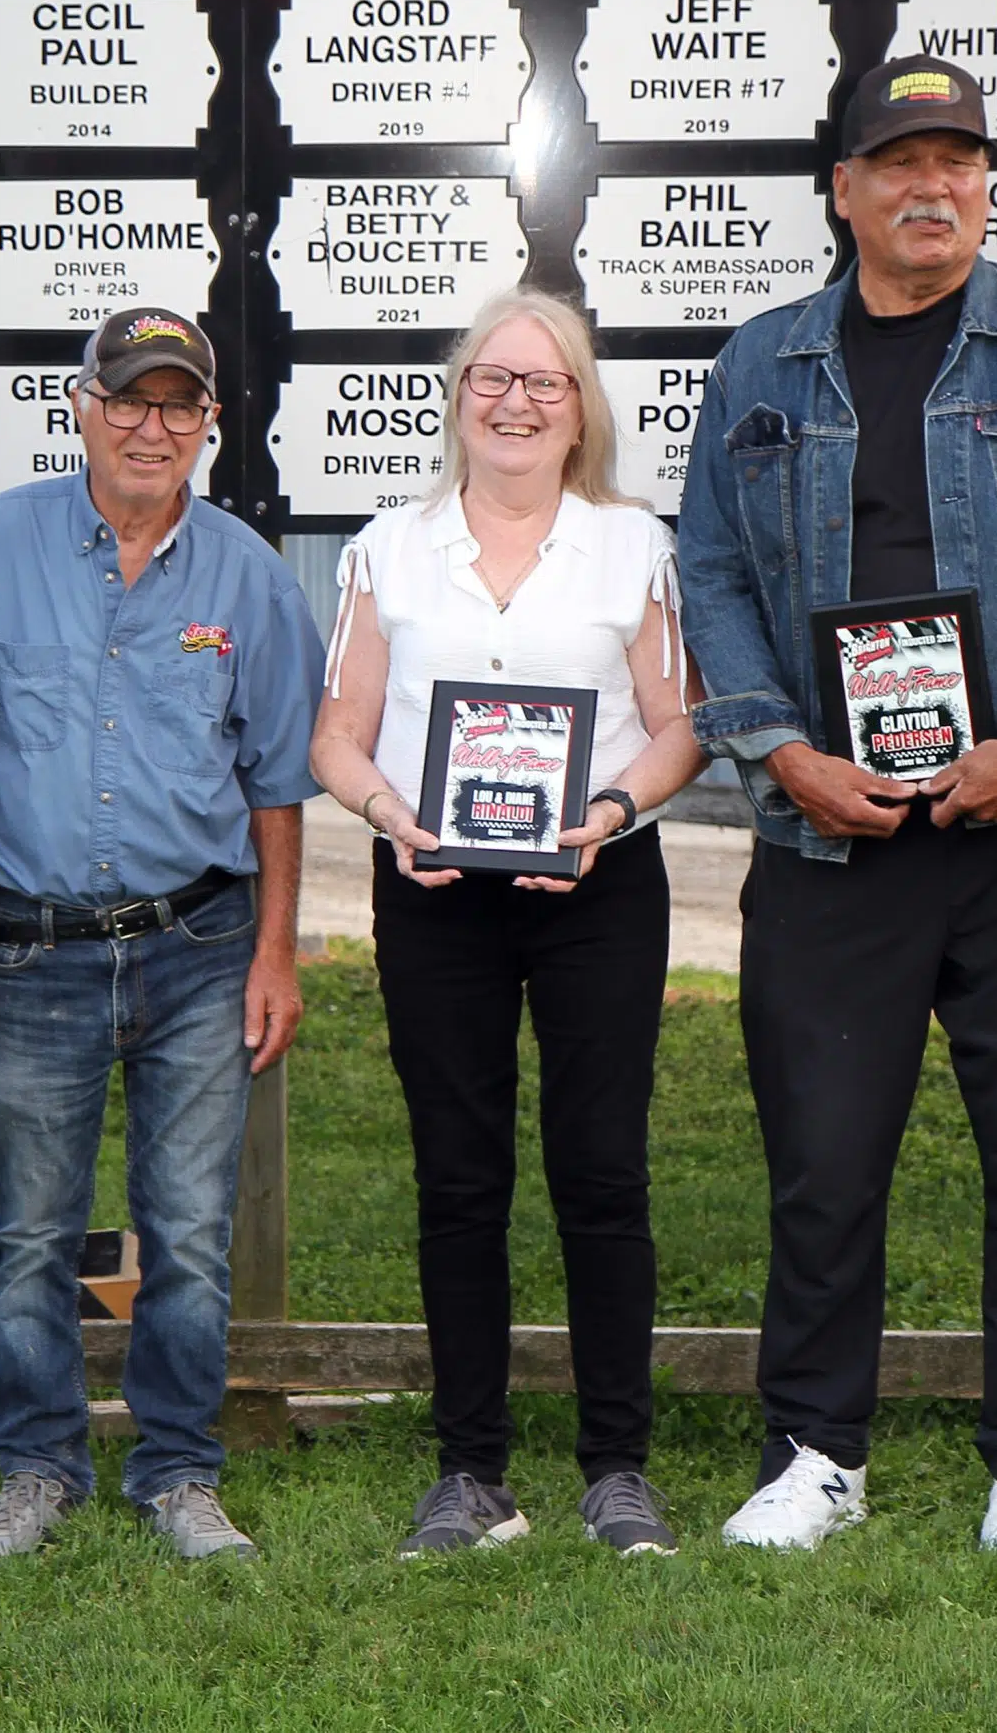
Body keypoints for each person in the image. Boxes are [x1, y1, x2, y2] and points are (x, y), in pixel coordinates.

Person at [677, 55, 997, 1551]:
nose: (932, 186)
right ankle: (818, 1449)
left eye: (958, 160)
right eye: (900, 163)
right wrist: (775, 746)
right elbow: (704, 569)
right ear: (845, 191)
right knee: (824, 1157)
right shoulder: (760, 365)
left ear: (985, 186)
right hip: (834, 836)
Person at [0, 308, 326, 1562]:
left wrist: (274, 953)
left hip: (199, 948)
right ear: (81, 407)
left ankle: (177, 1469)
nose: (152, 426)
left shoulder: (248, 576)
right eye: (129, 401)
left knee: (188, 1229)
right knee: (32, 1229)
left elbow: (274, 783)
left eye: (179, 406)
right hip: (28, 947)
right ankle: (36, 1466)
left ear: (209, 426)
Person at [308, 288, 707, 1560]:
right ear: (457, 393)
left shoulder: (632, 547)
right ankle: (470, 1469)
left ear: (578, 407)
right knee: (457, 1176)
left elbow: (681, 726)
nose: (516, 401)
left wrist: (602, 809)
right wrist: (387, 813)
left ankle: (616, 1468)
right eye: (493, 377)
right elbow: (337, 733)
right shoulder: (386, 547)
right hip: (432, 895)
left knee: (600, 1171)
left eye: (545, 382)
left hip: (594, 887)